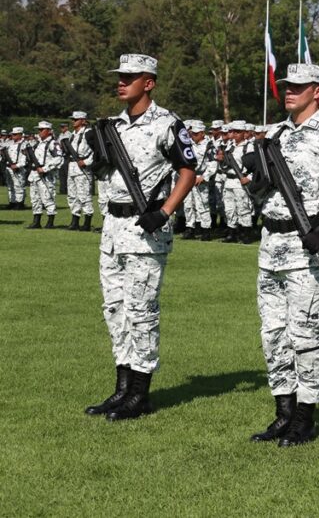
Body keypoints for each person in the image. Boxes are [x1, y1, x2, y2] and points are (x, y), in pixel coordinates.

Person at [248, 63, 319, 447]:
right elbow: (259, 189)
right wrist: (253, 178)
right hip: (271, 246)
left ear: (317, 91)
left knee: (304, 335)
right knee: (273, 335)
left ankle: (306, 416)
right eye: (285, 86)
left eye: (297, 86)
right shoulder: (274, 134)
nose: (288, 91)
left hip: (308, 248)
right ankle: (283, 412)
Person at [85, 54, 196, 421]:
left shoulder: (167, 124)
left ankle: (140, 393)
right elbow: (99, 170)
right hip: (113, 229)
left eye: (129, 77)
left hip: (145, 227)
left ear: (148, 82)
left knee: (141, 311)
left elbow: (188, 170)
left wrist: (165, 211)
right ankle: (121, 388)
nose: (121, 82)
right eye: (119, 77)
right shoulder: (112, 126)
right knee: (115, 309)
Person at [182, 121, 217, 240]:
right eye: (192, 133)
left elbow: (213, 164)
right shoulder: (188, 144)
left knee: (202, 205)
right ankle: (190, 228)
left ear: (202, 133)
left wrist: (204, 177)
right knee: (188, 204)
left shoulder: (209, 145)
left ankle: (206, 230)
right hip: (188, 178)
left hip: (201, 178)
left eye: (196, 134)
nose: (193, 136)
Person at [25, 121, 63, 229]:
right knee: (35, 198)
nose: (39, 132)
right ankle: (36, 221)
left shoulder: (52, 143)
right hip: (34, 174)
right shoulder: (37, 143)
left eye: (42, 130)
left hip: (45, 175)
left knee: (48, 197)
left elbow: (59, 158)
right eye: (39, 130)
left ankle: (50, 222)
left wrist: (45, 168)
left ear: (49, 131)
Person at [65, 111, 95, 231]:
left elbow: (96, 151)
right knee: (72, 195)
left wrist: (87, 162)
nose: (73, 122)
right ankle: (75, 221)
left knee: (84, 195)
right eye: (73, 119)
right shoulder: (73, 134)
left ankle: (87, 222)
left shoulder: (89, 133)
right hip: (72, 166)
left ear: (83, 120)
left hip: (82, 168)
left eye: (76, 120)